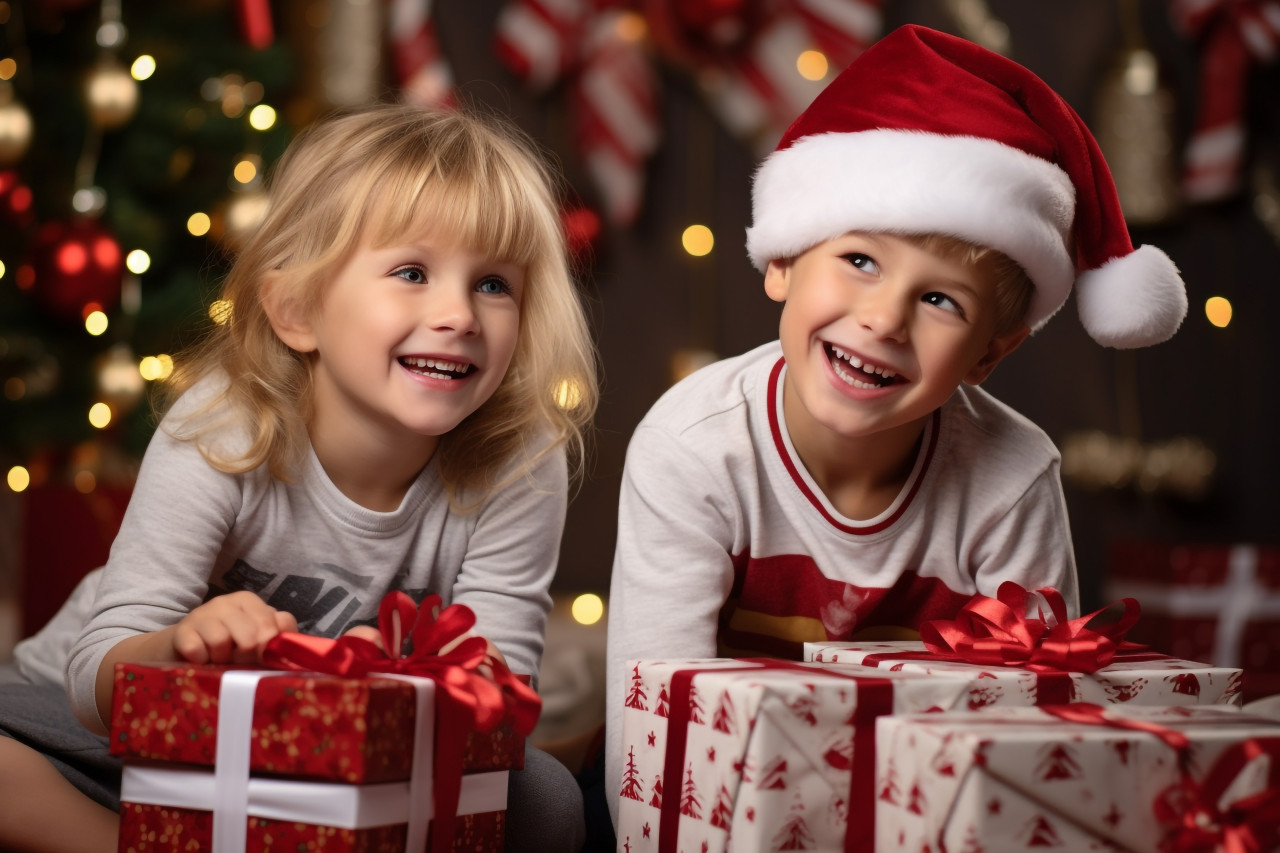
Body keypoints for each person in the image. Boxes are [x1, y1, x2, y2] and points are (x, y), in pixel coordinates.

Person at [602, 23, 1188, 831]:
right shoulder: (695, 443)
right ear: (781, 257)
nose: (882, 319)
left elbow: (1035, 733)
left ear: (990, 353)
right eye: (860, 260)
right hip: (732, 818)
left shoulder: (1010, 475)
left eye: (941, 299)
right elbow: (653, 728)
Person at [0, 102, 597, 853]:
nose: (458, 313)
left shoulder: (521, 453)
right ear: (296, 310)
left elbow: (504, 700)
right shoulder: (222, 428)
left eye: (494, 285)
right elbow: (96, 672)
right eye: (412, 272)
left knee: (545, 800)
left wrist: (401, 686)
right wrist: (181, 650)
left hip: (341, 760)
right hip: (106, 728)